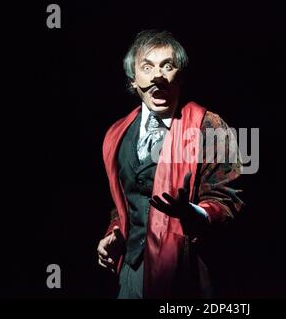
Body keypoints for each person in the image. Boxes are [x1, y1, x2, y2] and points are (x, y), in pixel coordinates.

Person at [96, 29, 244, 299]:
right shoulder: (117, 134)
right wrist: (114, 234)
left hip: (186, 273)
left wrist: (195, 213)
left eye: (167, 66)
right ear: (133, 80)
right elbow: (123, 202)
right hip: (131, 271)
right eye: (147, 66)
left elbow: (229, 199)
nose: (157, 75)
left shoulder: (209, 126)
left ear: (180, 76)